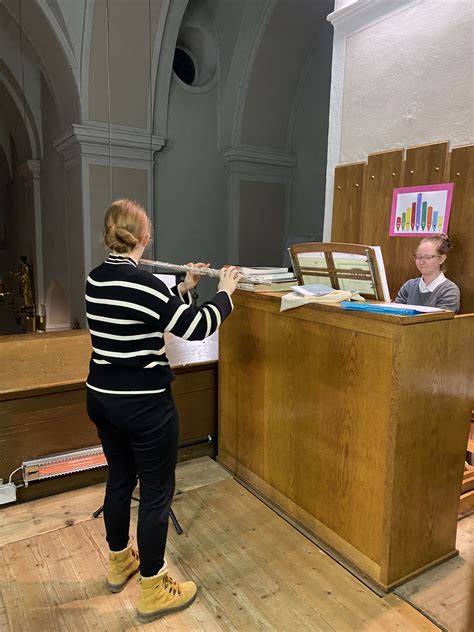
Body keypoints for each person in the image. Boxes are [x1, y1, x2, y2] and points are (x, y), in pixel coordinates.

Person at [85, 198, 242, 624]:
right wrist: (224, 292)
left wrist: (184, 285)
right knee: (156, 493)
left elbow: (140, 311)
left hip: (102, 398)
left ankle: (120, 564)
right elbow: (197, 327)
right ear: (145, 236)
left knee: (120, 478)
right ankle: (153, 587)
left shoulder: (95, 279)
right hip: (144, 405)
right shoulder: (147, 285)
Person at [394, 233, 460, 312]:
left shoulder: (449, 290)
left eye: (428, 257)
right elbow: (395, 314)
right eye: (418, 257)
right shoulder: (409, 286)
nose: (422, 261)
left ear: (441, 259)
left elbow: (440, 322)